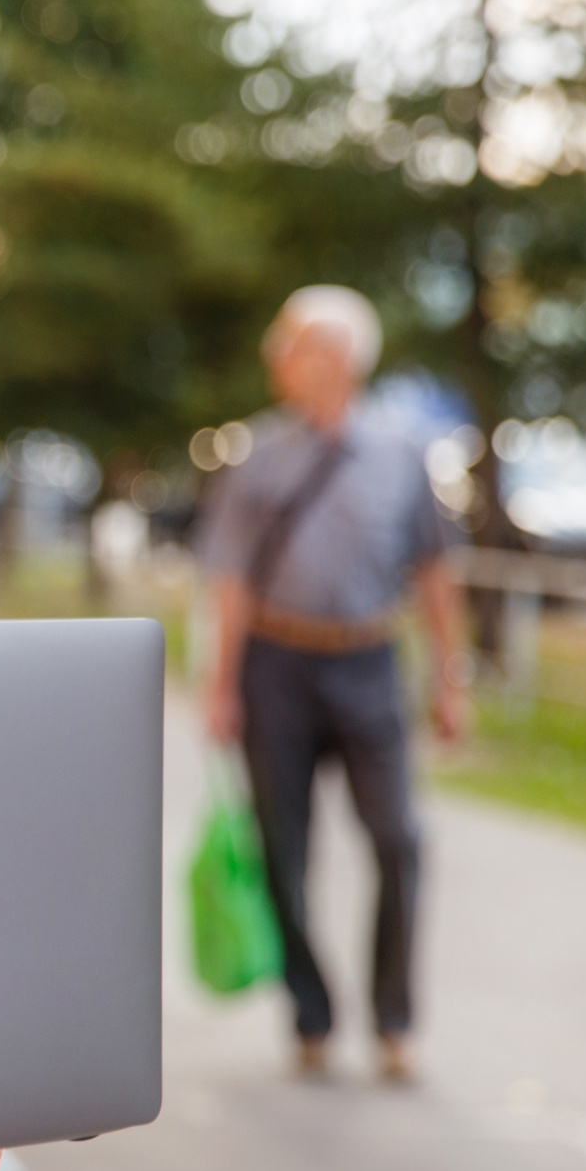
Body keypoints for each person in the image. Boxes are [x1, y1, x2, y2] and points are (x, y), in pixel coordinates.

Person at [199, 286, 467, 1084]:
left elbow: (434, 574)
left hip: (368, 663)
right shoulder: (257, 455)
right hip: (277, 665)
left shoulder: (400, 454)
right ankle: (311, 1013)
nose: (279, 358)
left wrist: (449, 682)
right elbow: (229, 579)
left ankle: (394, 1021)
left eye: (293, 344)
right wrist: (221, 685)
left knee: (398, 839)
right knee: (283, 849)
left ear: (340, 357)